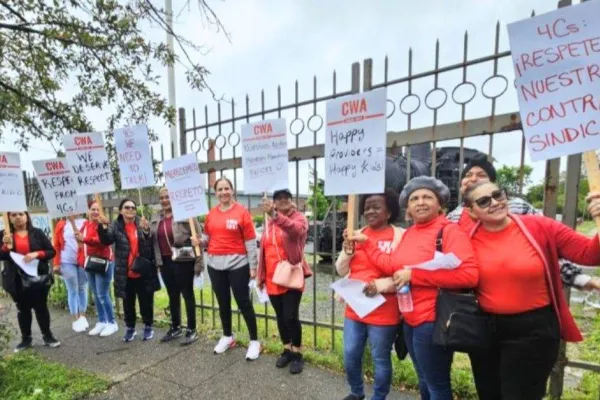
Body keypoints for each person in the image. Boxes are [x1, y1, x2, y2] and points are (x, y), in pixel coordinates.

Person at [464, 181, 600, 400]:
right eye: (484, 201)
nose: (495, 203)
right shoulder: (464, 237)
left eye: (498, 195)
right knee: (489, 394)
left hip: (532, 332)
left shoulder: (540, 226)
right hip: (484, 330)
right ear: (471, 212)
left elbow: (590, 254)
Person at [354, 176, 479, 400]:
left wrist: (415, 275)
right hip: (410, 319)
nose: (420, 202)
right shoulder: (411, 233)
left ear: (440, 204)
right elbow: (392, 266)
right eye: (414, 198)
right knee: (424, 379)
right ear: (408, 208)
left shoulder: (449, 231)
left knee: (437, 384)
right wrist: (367, 243)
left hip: (433, 319)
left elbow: (469, 276)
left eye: (427, 197)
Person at [448, 154, 600, 291]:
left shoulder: (522, 210)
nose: (473, 179)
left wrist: (579, 278)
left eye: (481, 175)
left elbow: (545, 252)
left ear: (493, 184)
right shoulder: (452, 219)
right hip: (474, 305)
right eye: (468, 175)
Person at [335, 189, 403, 400]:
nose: (370, 211)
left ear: (389, 211)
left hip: (385, 310)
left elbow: (403, 273)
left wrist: (381, 285)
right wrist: (347, 252)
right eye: (367, 208)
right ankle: (357, 392)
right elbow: (341, 270)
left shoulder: (400, 236)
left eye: (376, 207)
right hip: (355, 307)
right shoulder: (357, 232)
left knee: (380, 358)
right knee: (350, 355)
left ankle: (379, 397)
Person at [193, 177, 260, 360]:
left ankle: (254, 341)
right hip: (215, 265)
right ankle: (227, 336)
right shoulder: (211, 214)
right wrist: (200, 241)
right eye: (220, 189)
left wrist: (253, 266)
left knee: (243, 302)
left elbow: (251, 242)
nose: (223, 192)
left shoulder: (242, 213)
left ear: (232, 190)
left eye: (226, 188)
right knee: (223, 303)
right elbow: (207, 238)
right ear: (215, 193)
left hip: (238, 264)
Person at [256, 189, 311, 374]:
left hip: (291, 276)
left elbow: (295, 232)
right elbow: (264, 249)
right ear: (274, 202)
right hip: (273, 278)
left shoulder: (299, 218)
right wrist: (260, 276)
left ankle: (297, 353)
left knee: (290, 316)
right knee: (280, 316)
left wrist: (274, 214)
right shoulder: (268, 223)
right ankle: (286, 349)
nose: (283, 200)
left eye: (287, 197)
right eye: (279, 198)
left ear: (291, 200)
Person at [97, 199, 159, 342]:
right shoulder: (115, 225)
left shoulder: (141, 222)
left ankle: (148, 326)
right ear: (121, 210)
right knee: (128, 303)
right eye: (127, 207)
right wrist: (103, 227)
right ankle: (130, 328)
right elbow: (106, 240)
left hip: (142, 270)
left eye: (133, 207)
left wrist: (146, 231)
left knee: (146, 301)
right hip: (125, 271)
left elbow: (150, 245)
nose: (130, 209)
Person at [1, 211, 60, 351]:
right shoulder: (4, 235)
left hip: (37, 277)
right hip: (16, 279)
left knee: (41, 307)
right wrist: (5, 246)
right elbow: (2, 256)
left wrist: (37, 254)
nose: (17, 217)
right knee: (23, 309)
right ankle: (26, 339)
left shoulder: (37, 233)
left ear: (27, 216)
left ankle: (47, 336)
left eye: (20, 214)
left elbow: (51, 252)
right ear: (8, 217)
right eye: (13, 215)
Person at [151, 187, 203, 346]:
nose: (165, 200)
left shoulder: (185, 214)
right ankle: (175, 327)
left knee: (187, 294)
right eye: (162, 197)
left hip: (183, 260)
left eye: (168, 196)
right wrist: (146, 228)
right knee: (172, 294)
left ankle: (192, 329)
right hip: (165, 261)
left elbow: (198, 237)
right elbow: (152, 238)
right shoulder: (155, 216)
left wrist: (199, 260)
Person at [75, 200, 118, 337]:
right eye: (92, 209)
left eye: (98, 210)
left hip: (103, 262)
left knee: (103, 294)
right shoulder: (86, 225)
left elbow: (101, 241)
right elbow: (82, 242)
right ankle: (102, 321)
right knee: (95, 293)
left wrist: (84, 238)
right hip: (89, 263)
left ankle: (112, 322)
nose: (95, 212)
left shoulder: (104, 225)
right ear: (88, 211)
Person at [53, 214, 88, 332]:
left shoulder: (85, 222)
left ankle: (83, 316)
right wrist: (56, 263)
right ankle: (75, 318)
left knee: (82, 288)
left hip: (82, 260)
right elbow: (56, 245)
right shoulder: (61, 224)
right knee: (73, 289)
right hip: (66, 261)